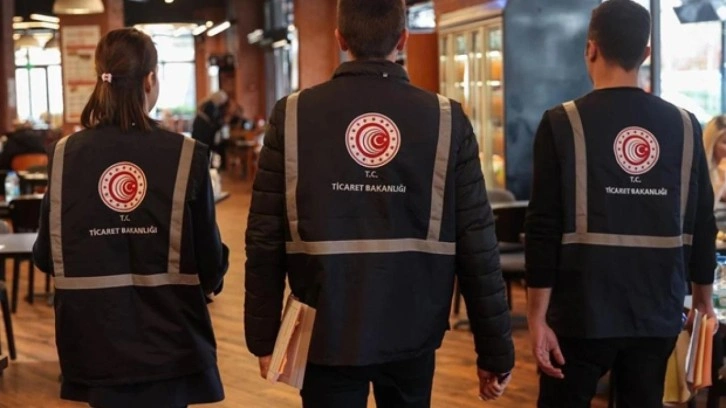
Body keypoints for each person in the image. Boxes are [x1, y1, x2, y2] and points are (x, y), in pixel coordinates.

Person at [244, 0, 515, 406]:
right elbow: (478, 243)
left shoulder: (293, 115)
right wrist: (495, 350)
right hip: (414, 327)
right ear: (403, 39)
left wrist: (264, 338)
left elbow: (263, 238)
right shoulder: (446, 119)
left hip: (324, 328)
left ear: (340, 39)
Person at [525, 1, 717, 407]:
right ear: (645, 53)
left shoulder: (562, 122)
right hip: (657, 308)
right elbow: (702, 221)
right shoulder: (685, 126)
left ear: (590, 48)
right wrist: (702, 300)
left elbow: (542, 227)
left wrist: (536, 317)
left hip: (580, 312)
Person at [32, 28, 229, 408]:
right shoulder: (186, 154)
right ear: (150, 80)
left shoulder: (64, 155)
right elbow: (209, 261)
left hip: (93, 344)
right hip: (170, 343)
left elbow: (46, 256)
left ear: (100, 79)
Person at [191, 91, 229, 168]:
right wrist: (222, 123)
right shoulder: (211, 105)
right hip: (203, 130)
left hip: (200, 128)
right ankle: (205, 167)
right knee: (204, 149)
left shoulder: (208, 103)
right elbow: (214, 120)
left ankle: (204, 166)